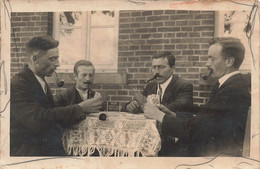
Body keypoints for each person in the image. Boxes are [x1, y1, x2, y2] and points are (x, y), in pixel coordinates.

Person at [144, 37, 251, 156]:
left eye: (212, 59)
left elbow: (196, 129)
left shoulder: (233, 89)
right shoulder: (227, 84)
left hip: (215, 154)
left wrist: (159, 115)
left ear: (229, 62)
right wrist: (173, 114)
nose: (207, 64)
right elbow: (207, 116)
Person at [10, 36, 103, 156]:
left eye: (57, 58)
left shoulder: (40, 80)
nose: (57, 64)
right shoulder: (18, 84)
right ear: (35, 59)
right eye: (52, 59)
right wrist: (81, 108)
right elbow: (37, 119)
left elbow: (51, 115)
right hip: (26, 154)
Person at [125, 51, 193, 156]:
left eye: (161, 67)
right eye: (154, 67)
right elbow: (141, 103)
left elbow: (180, 105)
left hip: (173, 141)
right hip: (150, 138)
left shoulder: (183, 85)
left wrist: (153, 109)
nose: (156, 72)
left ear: (173, 68)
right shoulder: (150, 86)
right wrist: (131, 105)